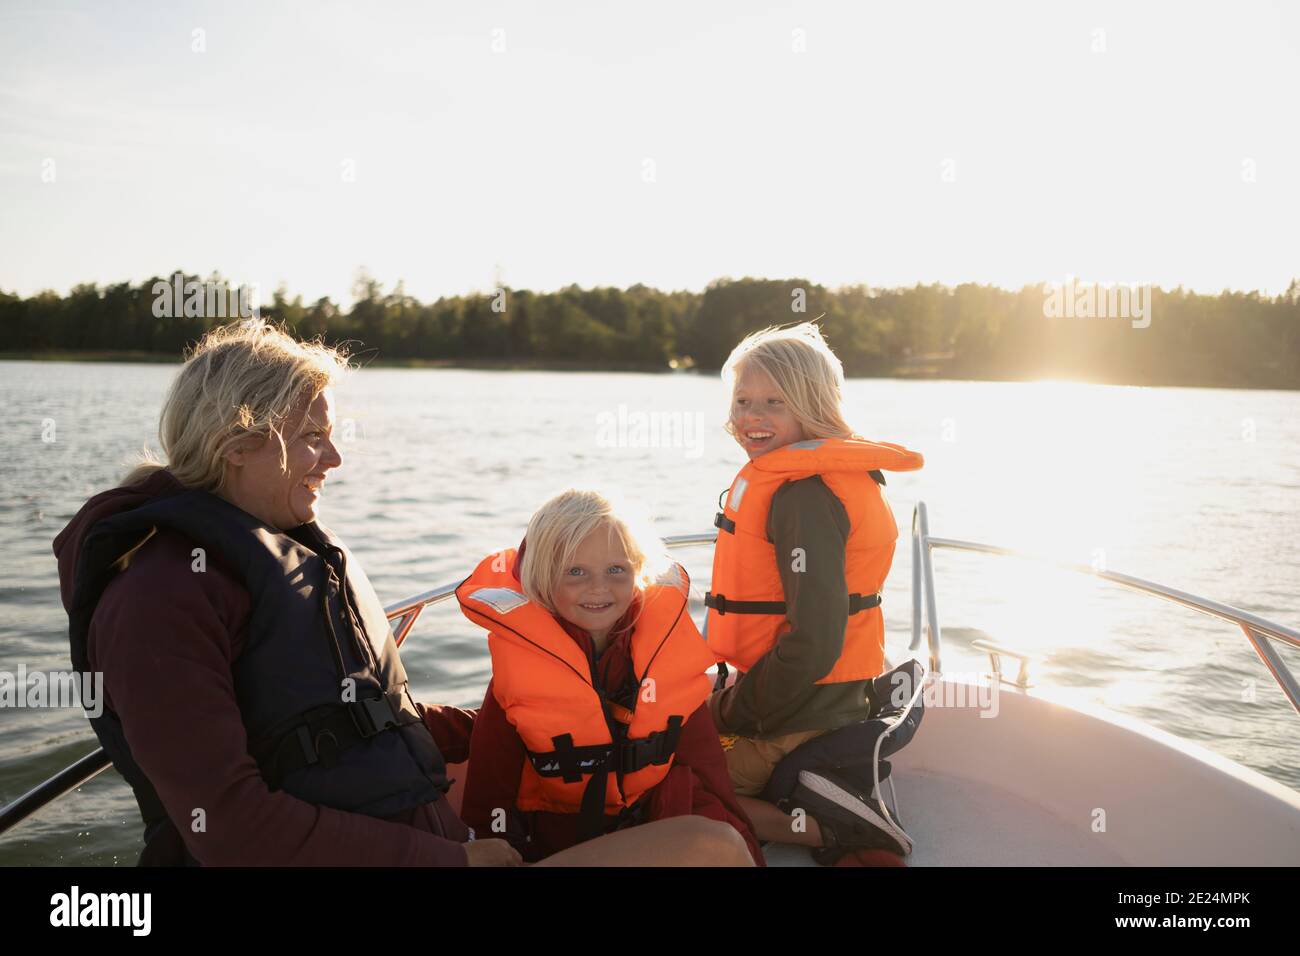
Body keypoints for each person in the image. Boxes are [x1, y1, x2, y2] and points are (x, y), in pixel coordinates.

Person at [53, 320, 748, 867]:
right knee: (709, 851)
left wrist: (555, 718)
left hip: (419, 830)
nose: (335, 458)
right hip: (416, 854)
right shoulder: (160, 599)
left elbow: (369, 717)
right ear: (240, 443)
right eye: (314, 438)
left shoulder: (281, 555)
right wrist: (451, 859)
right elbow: (232, 830)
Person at [703, 322, 924, 862]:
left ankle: (840, 828)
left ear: (812, 404)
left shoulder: (804, 497)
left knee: (672, 786)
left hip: (806, 708)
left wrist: (731, 712)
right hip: (818, 695)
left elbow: (816, 641)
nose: (752, 417)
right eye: (743, 400)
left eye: (774, 402)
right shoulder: (820, 479)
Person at [457, 490, 761, 865]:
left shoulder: (666, 661)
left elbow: (708, 773)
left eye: (616, 570)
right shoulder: (517, 675)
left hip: (649, 829)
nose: (598, 588)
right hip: (557, 846)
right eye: (575, 572)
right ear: (542, 577)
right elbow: (489, 798)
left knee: (724, 840)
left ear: (639, 571)